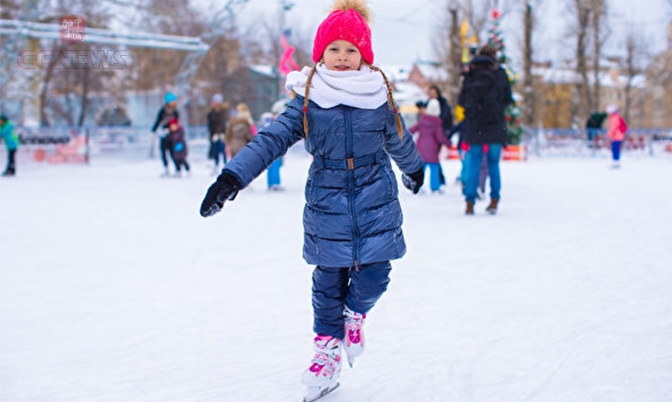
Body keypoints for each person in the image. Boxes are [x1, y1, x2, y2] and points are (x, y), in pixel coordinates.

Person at [198, 1, 424, 400]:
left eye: (351, 50)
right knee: (327, 281)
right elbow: (270, 140)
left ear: (364, 56)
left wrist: (415, 168)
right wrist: (233, 176)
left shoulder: (378, 97)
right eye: (333, 49)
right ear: (320, 54)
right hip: (327, 201)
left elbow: (400, 141)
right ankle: (325, 355)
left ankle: (355, 315)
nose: (341, 57)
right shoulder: (307, 100)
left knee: (376, 274)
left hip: (376, 199)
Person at [458, 44, 513, 215]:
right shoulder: (500, 73)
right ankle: (494, 199)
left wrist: (475, 110)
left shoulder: (470, 74)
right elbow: (507, 99)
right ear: (495, 56)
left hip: (475, 124)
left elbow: (462, 100)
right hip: (495, 124)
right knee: (493, 163)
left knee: (474, 162)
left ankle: (469, 201)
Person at [408, 99, 452, 193]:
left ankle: (418, 186)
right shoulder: (436, 123)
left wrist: (401, 133)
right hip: (432, 149)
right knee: (434, 167)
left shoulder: (422, 120)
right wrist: (448, 143)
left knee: (421, 168)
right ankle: (435, 187)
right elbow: (440, 137)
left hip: (420, 148)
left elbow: (412, 129)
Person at [151, 92, 179, 177]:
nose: (174, 102)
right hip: (163, 134)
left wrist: (171, 129)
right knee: (163, 152)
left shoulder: (175, 112)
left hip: (173, 135)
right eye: (172, 101)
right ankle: (166, 169)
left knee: (174, 153)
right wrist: (153, 131)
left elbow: (176, 123)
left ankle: (178, 169)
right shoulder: (162, 111)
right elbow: (158, 121)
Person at [259, 112, 284, 191]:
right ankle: (275, 183)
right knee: (275, 165)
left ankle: (270, 183)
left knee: (270, 166)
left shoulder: (263, 127)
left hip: (267, 148)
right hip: (275, 148)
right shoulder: (276, 125)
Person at [207, 93, 230, 175]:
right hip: (213, 134)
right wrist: (211, 133)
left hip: (220, 134)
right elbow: (211, 124)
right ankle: (216, 166)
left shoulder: (223, 112)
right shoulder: (211, 112)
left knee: (222, 150)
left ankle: (226, 166)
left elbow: (221, 124)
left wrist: (219, 133)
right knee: (215, 151)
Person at [605, 104, 627, 168]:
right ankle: (616, 162)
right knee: (616, 149)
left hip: (617, 136)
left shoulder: (614, 118)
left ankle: (615, 162)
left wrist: (609, 133)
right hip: (619, 136)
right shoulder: (616, 116)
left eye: (608, 112)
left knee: (614, 149)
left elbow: (613, 127)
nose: (608, 113)